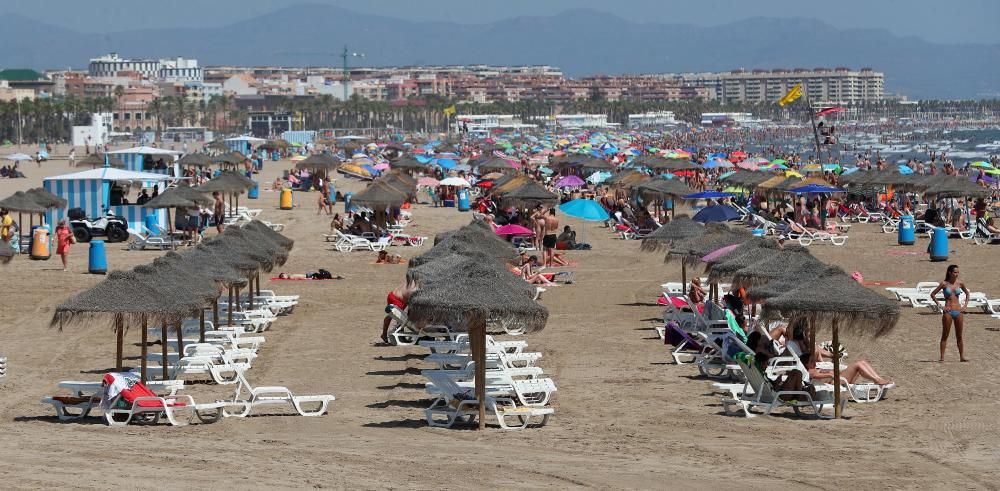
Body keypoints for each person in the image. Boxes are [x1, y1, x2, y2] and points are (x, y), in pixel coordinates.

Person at [930, 264, 970, 362]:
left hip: (958, 311)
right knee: (945, 334)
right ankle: (942, 357)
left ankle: (962, 357)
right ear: (950, 272)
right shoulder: (944, 284)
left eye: (958, 272)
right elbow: (933, 294)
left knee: (959, 335)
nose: (957, 274)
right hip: (948, 311)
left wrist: (965, 306)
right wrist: (940, 306)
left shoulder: (960, 283)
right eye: (955, 272)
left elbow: (967, 293)